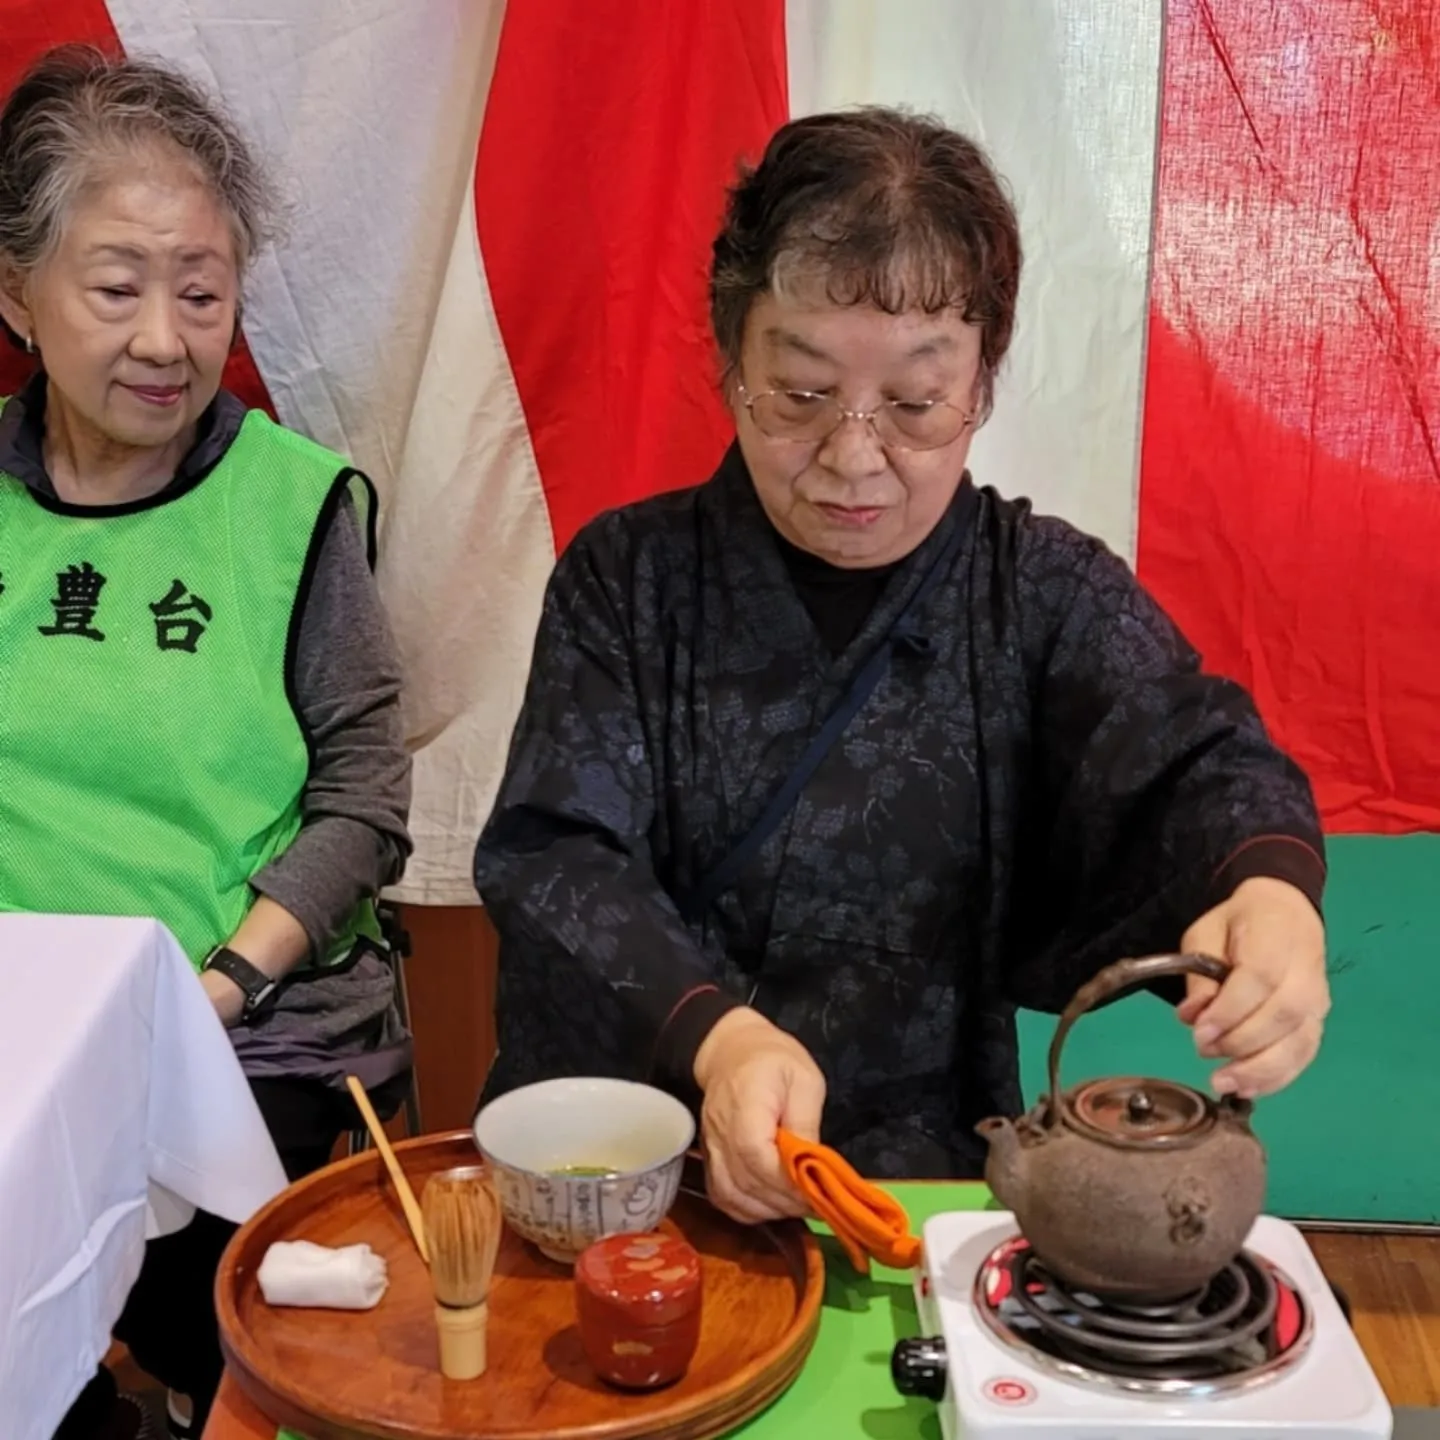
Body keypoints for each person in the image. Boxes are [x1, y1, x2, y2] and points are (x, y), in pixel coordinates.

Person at [473, 107, 1329, 1229]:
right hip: (637, 1161)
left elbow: (1195, 754)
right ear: (732, 360)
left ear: (980, 383)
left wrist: (1272, 896)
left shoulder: (1039, 590)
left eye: (918, 404)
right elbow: (559, 858)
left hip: (911, 1187)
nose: (855, 454)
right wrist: (719, 1037)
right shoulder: (626, 579)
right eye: (803, 393)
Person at [0, 47, 412, 1440]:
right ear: (17, 293)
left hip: (260, 1043)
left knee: (282, 1374)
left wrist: (220, 985)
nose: (167, 338)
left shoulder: (292, 506)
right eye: (118, 288)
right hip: (16, 1051)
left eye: (202, 290)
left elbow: (366, 799)